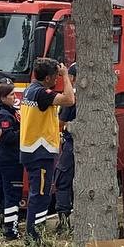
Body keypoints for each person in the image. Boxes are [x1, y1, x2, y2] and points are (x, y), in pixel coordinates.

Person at [19, 57, 76, 244]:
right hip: (40, 150)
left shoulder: (29, 89)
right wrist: (67, 76)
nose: (57, 80)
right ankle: (33, 238)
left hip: (32, 149)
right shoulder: (41, 93)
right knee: (40, 196)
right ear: (48, 78)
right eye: (55, 77)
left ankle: (34, 234)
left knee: (39, 194)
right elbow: (69, 99)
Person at [0, 83, 23, 240]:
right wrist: (25, 132)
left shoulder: (8, 111)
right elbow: (7, 137)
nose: (15, 97)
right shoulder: (4, 114)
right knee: (12, 195)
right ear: (3, 97)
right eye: (11, 95)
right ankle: (11, 231)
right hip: (8, 160)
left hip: (1, 159)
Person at [54, 65, 78, 234]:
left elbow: (60, 123)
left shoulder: (72, 98)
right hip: (90, 148)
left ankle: (63, 221)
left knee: (62, 181)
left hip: (72, 146)